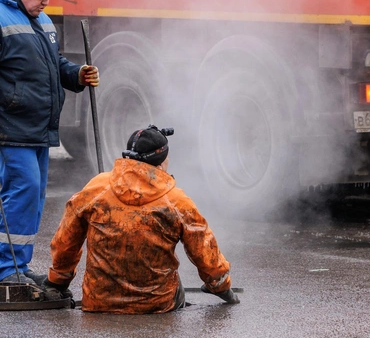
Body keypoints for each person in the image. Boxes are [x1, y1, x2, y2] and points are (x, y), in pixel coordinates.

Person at [0, 0, 100, 284]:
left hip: (38, 128)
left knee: (34, 197)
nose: (45, 2)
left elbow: (53, 62)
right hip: (9, 127)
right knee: (23, 191)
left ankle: (20, 268)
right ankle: (7, 271)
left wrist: (76, 74)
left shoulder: (42, 19)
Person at [42, 125, 240, 313]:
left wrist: (57, 282)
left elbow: (66, 241)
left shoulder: (96, 187)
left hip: (98, 301)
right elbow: (204, 251)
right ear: (162, 160)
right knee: (174, 280)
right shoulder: (177, 201)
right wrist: (221, 287)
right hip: (158, 304)